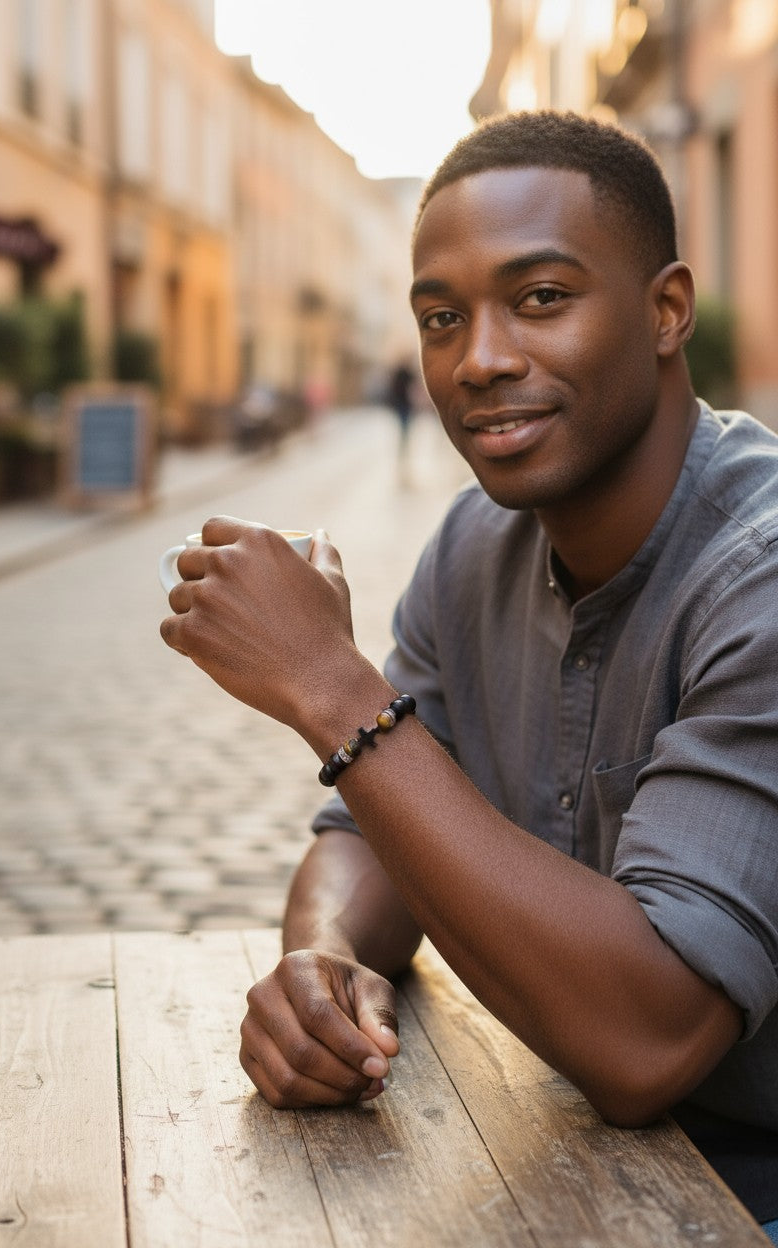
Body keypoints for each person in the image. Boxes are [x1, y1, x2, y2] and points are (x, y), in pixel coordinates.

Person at [160, 111, 778, 1234]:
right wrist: (324, 956)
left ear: (664, 311)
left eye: (540, 297)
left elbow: (649, 1042)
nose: (478, 360)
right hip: (583, 1164)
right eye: (441, 318)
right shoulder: (470, 550)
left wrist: (332, 686)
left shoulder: (762, 577)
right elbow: (374, 838)